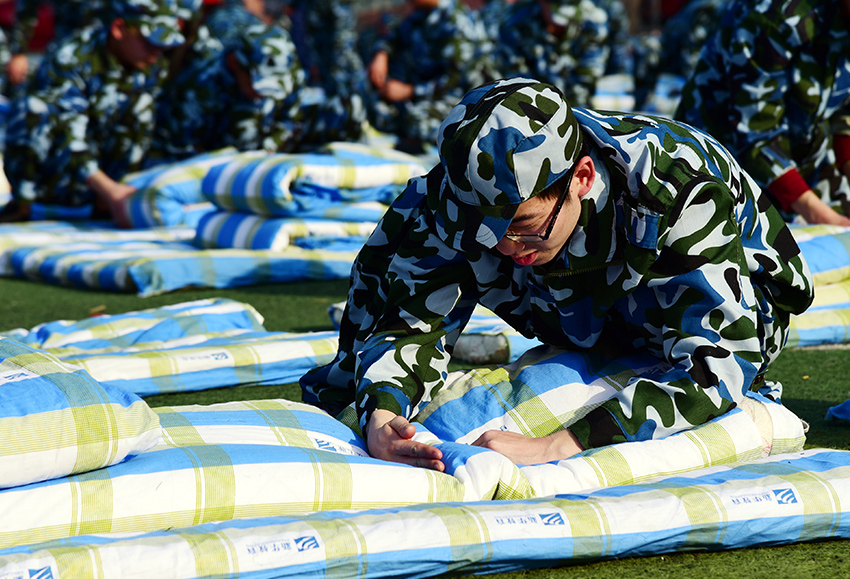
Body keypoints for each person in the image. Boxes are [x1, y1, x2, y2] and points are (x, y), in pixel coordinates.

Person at [300, 77, 814, 470]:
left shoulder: (674, 192)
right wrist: (383, 413)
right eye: (488, 229)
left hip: (737, 305)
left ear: (582, 179)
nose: (505, 246)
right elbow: (410, 317)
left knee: (693, 370)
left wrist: (562, 444)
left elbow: (720, 361)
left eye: (523, 226)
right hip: (571, 299)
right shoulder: (464, 194)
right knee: (404, 236)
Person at [1, 0, 184, 225]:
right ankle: (23, 206)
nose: (156, 53)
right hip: (57, 171)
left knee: (143, 110)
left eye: (163, 46)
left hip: (101, 179)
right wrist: (107, 188)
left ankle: (110, 204)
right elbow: (68, 130)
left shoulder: (151, 64)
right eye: (149, 43)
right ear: (119, 28)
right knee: (33, 108)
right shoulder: (73, 55)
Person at [675, 0, 850, 226]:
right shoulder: (775, 13)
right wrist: (822, 216)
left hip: (804, 158)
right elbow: (757, 134)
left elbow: (843, 113)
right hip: (720, 170)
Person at [150, 23, 363, 162]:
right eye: (259, 84)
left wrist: (273, 146)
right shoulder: (200, 86)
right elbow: (183, 148)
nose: (263, 96)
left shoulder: (289, 70)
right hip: (224, 154)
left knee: (348, 109)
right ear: (235, 63)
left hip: (273, 143)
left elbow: (292, 117)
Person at [365, 0, 496, 154]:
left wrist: (409, 91)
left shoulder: (456, 20)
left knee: (417, 121)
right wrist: (382, 54)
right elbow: (394, 37)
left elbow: (455, 80)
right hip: (424, 97)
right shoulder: (421, 15)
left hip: (461, 102)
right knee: (375, 107)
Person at [494, 0, 609, 108]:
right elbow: (517, 81)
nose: (564, 25)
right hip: (529, 106)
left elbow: (585, 81)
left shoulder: (593, 24)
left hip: (573, 106)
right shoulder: (515, 23)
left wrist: (572, 116)